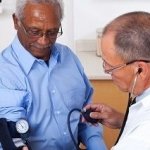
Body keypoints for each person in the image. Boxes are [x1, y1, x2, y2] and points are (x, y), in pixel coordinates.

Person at [0, 0, 107, 150]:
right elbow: (13, 136)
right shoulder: (4, 71)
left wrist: (97, 146)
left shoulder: (69, 58)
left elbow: (86, 117)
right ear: (16, 21)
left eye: (52, 32)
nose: (43, 41)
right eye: (34, 31)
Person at [84, 11, 150, 150]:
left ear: (141, 70)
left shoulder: (141, 139)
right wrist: (123, 120)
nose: (106, 71)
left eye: (110, 66)